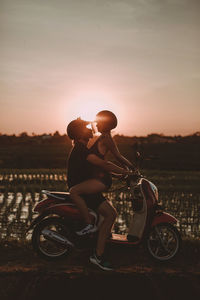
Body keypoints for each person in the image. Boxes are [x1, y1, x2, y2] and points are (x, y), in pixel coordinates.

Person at [67, 118, 134, 270]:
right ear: (80, 133)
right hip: (83, 189)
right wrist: (126, 171)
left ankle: (99, 249)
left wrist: (120, 174)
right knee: (110, 215)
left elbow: (100, 167)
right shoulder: (82, 150)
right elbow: (104, 164)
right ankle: (96, 247)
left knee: (110, 215)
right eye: (86, 127)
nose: (90, 127)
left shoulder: (83, 147)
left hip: (88, 187)